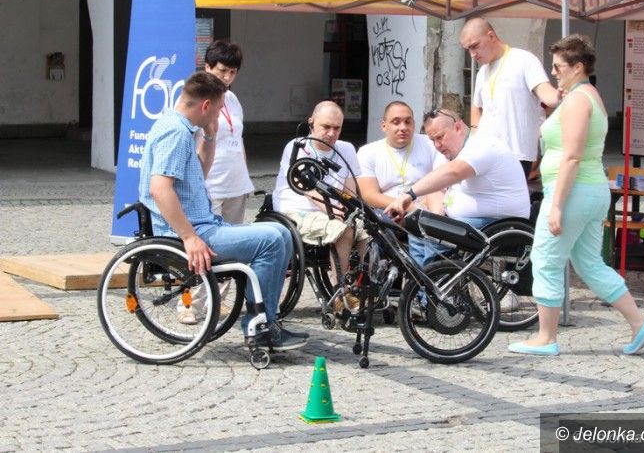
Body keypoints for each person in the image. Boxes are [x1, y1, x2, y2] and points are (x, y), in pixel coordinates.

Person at [508, 34, 644, 356]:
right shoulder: (587, 95)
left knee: (545, 260)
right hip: (590, 191)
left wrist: (557, 206)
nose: (553, 72)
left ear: (578, 67)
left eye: (558, 66)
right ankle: (639, 323)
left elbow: (572, 156)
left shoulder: (577, 100)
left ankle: (546, 337)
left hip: (572, 192)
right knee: (589, 264)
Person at [138, 71, 307, 350]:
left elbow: (199, 175)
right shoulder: (175, 133)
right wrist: (189, 237)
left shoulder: (181, 128)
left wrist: (210, 135)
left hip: (206, 225)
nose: (218, 115)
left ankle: (266, 319)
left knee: (282, 233)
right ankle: (261, 326)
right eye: (218, 110)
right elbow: (159, 188)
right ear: (206, 105)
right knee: (271, 240)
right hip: (192, 233)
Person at [384, 109, 529, 267]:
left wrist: (409, 194)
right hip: (470, 220)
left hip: (499, 223)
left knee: (436, 233)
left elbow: (453, 172)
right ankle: (420, 279)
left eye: (440, 137)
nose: (437, 145)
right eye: (433, 140)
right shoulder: (451, 151)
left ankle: (432, 281)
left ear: (458, 127)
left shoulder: (482, 145)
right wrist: (433, 215)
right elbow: (437, 187)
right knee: (417, 228)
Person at [273, 101, 368, 310]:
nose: (332, 133)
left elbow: (350, 189)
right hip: (299, 209)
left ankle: (360, 284)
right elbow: (308, 190)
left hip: (333, 208)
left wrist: (353, 211)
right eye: (326, 127)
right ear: (311, 123)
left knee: (368, 229)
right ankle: (340, 291)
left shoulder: (346, 149)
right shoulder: (298, 146)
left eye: (337, 128)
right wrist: (336, 212)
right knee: (343, 229)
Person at [460, 17, 561, 178]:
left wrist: (559, 94)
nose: (472, 54)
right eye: (468, 50)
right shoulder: (482, 72)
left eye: (475, 46)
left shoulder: (524, 60)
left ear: (491, 36)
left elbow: (545, 92)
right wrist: (474, 139)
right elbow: (476, 107)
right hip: (486, 153)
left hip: (516, 154)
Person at [357, 101, 437, 265]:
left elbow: (440, 182)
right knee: (378, 235)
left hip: (425, 209)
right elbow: (369, 195)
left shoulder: (430, 144)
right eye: (396, 122)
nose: (403, 127)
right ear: (384, 125)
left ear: (414, 124)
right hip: (387, 212)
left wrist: (420, 208)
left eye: (408, 122)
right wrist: (405, 206)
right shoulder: (368, 152)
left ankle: (429, 276)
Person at [200, 40, 254, 225]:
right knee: (210, 236)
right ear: (208, 66)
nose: (227, 77)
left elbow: (238, 139)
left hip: (236, 183)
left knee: (235, 236)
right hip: (211, 185)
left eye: (233, 72)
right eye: (222, 70)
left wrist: (244, 175)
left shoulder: (232, 99)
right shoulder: (197, 99)